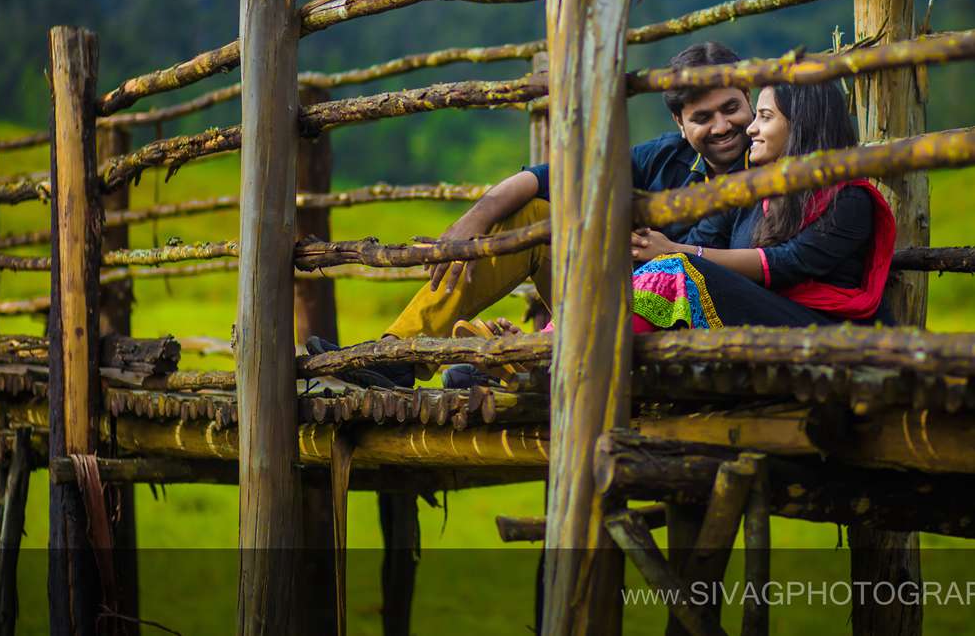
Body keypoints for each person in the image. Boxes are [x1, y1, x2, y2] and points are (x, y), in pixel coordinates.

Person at [307, 41, 757, 388]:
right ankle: (397, 359)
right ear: (681, 124)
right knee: (535, 214)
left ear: (750, 97)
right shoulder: (665, 156)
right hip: (614, 300)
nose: (720, 127)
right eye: (702, 117)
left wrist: (671, 254)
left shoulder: (774, 166)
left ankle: (506, 359)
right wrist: (470, 224)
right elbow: (546, 177)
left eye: (730, 108)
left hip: (689, 327)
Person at [626, 80, 895, 330]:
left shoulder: (849, 199)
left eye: (765, 117)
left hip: (823, 327)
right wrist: (645, 245)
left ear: (801, 123)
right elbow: (703, 239)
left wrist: (673, 250)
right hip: (760, 317)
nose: (751, 128)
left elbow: (787, 262)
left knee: (676, 271)